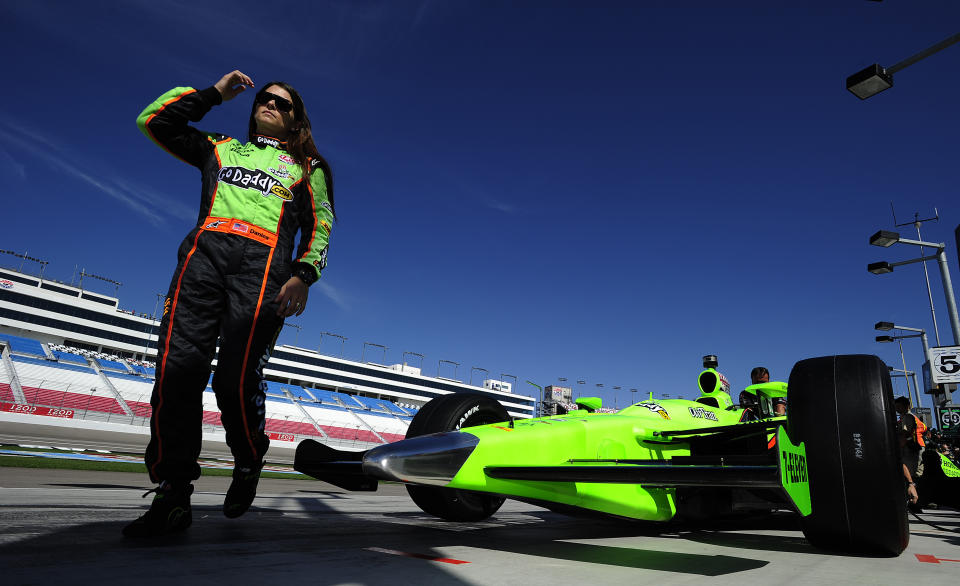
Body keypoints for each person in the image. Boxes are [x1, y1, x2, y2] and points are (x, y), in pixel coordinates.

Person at [123, 71, 335, 538]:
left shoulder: (309, 168)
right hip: (204, 257)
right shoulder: (220, 147)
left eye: (282, 104)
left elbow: (321, 226)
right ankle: (173, 493)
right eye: (265, 99)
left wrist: (303, 275)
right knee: (177, 370)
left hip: (265, 269)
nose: (271, 106)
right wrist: (213, 95)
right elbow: (153, 121)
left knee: (235, 377)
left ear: (297, 120)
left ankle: (249, 455)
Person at [894, 396, 925, 512]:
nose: (896, 409)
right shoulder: (907, 417)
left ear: (905, 406)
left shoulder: (907, 417)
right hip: (914, 448)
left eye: (898, 406)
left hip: (911, 450)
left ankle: (915, 503)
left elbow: (904, 434)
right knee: (912, 475)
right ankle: (915, 503)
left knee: (910, 476)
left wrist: (898, 447)